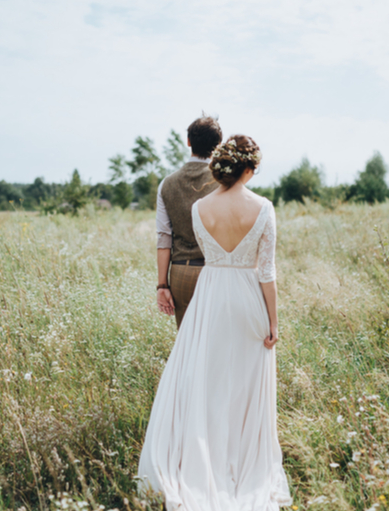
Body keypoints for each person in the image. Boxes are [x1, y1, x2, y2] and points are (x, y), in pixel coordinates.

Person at [138, 135, 292, 510]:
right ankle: (239, 461)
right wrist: (273, 321)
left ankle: (201, 455)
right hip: (246, 300)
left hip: (210, 297)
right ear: (250, 168)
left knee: (206, 380)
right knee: (243, 384)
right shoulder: (264, 207)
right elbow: (266, 272)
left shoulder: (200, 208)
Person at [156, 116, 222, 328]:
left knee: (187, 343)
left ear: (188, 142)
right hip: (216, 271)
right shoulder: (223, 182)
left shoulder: (166, 184)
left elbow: (164, 238)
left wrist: (162, 285)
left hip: (180, 273)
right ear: (218, 145)